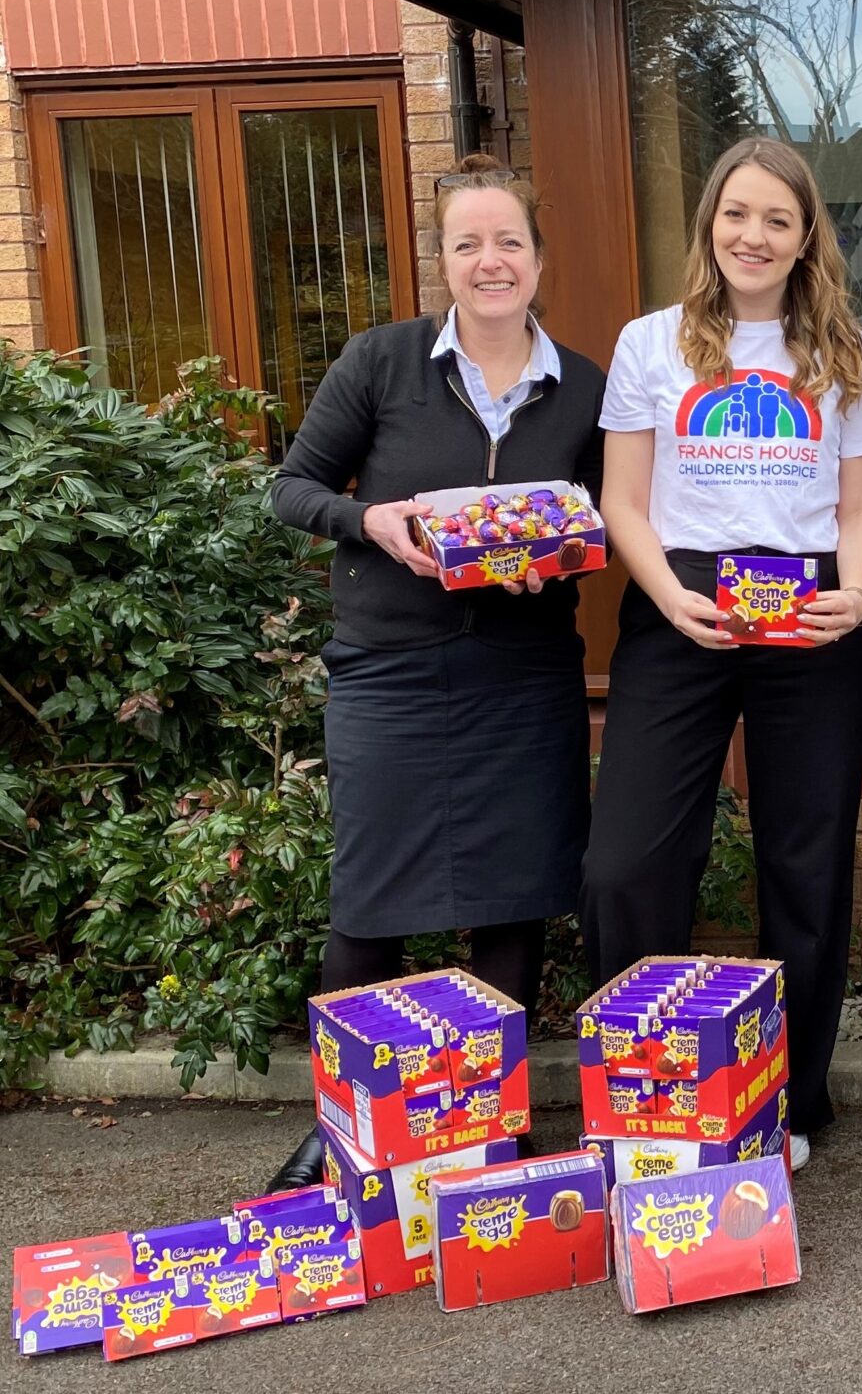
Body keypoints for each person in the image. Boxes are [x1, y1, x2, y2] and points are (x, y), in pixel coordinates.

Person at [266, 153, 603, 1190]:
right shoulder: (381, 362)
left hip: (524, 677)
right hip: (391, 673)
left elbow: (603, 521)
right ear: (443, 258)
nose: (490, 261)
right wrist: (368, 520)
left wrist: (553, 557)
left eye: (509, 241)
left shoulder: (584, 387)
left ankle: (485, 1129)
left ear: (539, 256)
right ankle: (348, 1127)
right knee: (368, 907)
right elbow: (293, 487)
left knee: (514, 902)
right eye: (469, 244)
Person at [580, 137, 862, 1174]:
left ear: (807, 240)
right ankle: (649, 1087)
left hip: (810, 621)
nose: (754, 236)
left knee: (804, 865)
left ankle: (788, 1103)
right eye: (737, 215)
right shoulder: (651, 345)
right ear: (710, 224)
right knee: (629, 860)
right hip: (682, 610)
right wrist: (668, 594)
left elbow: (859, 509)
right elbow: (622, 499)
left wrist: (850, 599)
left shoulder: (851, 353)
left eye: (778, 220)